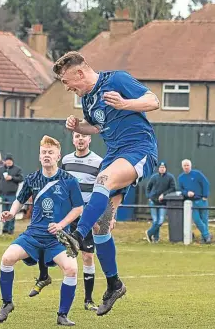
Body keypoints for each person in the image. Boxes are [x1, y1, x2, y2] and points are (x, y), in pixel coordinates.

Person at [53, 51, 159, 316]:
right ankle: (114, 284)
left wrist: (125, 104)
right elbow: (97, 127)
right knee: (101, 228)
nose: (68, 88)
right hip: (114, 155)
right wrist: (78, 126)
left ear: (79, 72)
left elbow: (153, 101)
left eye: (67, 82)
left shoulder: (117, 80)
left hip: (138, 147)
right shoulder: (88, 100)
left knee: (102, 180)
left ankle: (77, 236)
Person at [0, 135, 83, 326]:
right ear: (39, 155)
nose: (46, 155)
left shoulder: (69, 180)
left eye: (50, 152)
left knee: (71, 269)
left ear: (58, 156)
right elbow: (21, 198)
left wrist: (61, 225)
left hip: (57, 238)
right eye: (43, 152)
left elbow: (78, 208)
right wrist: (11, 213)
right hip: (33, 235)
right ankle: (7, 303)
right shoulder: (32, 178)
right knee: (7, 258)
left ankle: (62, 315)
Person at [30, 132, 103, 312]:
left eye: (84, 136)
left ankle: (88, 300)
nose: (80, 139)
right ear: (73, 139)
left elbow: (102, 190)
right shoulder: (66, 160)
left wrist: (98, 216)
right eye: (77, 135)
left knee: (87, 256)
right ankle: (43, 276)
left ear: (90, 139)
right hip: (65, 214)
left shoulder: (98, 162)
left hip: (85, 216)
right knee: (44, 241)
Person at [178, 159, 211, 243]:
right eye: (184, 165)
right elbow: (181, 190)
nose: (186, 167)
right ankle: (207, 235)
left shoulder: (197, 174)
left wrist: (205, 196)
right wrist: (187, 193)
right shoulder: (181, 178)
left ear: (190, 166)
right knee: (196, 220)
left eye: (187, 165)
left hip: (202, 200)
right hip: (191, 202)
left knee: (204, 219)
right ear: (182, 167)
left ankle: (204, 239)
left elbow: (206, 184)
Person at [145, 161, 176, 243]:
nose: (162, 169)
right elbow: (148, 187)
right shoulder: (154, 177)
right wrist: (149, 196)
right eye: (160, 167)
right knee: (155, 220)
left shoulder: (170, 177)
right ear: (158, 168)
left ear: (166, 168)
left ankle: (149, 233)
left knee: (160, 221)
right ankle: (156, 238)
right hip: (153, 201)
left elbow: (173, 188)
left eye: (163, 167)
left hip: (163, 202)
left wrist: (164, 195)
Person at [0, 154, 23, 234]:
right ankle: (5, 228)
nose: (8, 162)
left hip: (12, 194)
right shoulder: (0, 170)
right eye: (7, 160)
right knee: (4, 212)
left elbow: (21, 178)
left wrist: (12, 178)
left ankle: (10, 229)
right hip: (2, 194)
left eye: (9, 161)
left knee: (11, 212)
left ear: (12, 161)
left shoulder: (17, 169)